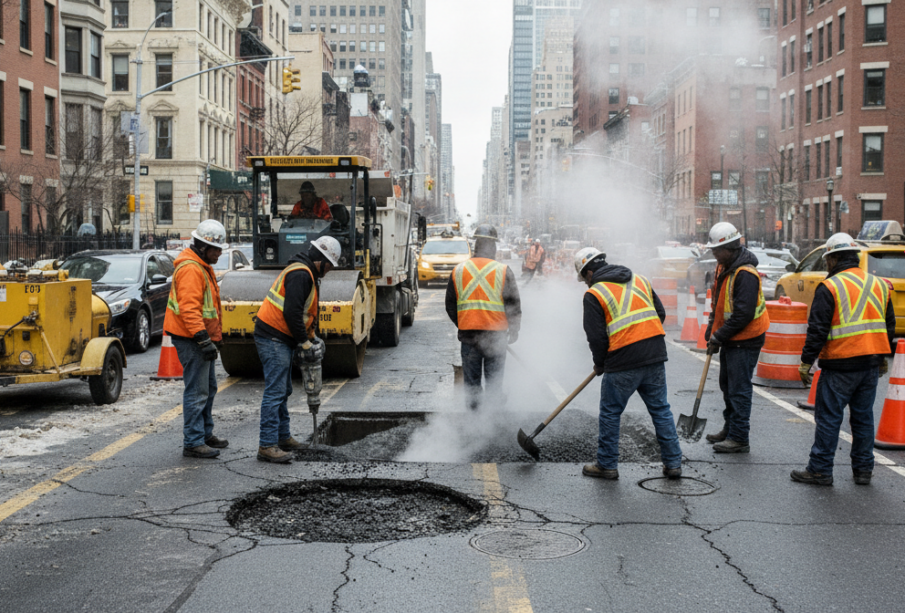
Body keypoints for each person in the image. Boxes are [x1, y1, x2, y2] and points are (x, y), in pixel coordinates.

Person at [792, 233, 895, 486]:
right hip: (870, 363)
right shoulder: (879, 284)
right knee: (863, 418)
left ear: (833, 259)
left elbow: (817, 328)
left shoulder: (831, 286)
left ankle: (820, 469)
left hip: (840, 363)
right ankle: (863, 470)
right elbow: (888, 325)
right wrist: (881, 354)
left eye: (828, 259)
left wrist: (806, 361)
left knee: (829, 418)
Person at [576, 247, 683, 480]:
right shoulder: (640, 279)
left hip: (622, 359)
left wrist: (600, 363)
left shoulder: (594, 294)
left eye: (584, 278)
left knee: (610, 413)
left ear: (589, 272)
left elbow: (596, 336)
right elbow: (660, 313)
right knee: (661, 409)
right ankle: (673, 464)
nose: (585, 283)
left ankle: (607, 465)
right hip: (654, 354)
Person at [254, 236, 341, 463]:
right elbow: (291, 312)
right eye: (330, 266)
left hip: (278, 336)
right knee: (275, 391)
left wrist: (312, 338)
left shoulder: (305, 272)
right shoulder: (301, 274)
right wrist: (303, 342)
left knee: (283, 390)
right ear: (322, 260)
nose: (329, 271)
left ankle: (282, 438)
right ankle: (267, 445)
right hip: (273, 336)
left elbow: (304, 313)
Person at [703, 222, 770, 453]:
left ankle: (739, 437)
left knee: (739, 389)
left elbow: (743, 314)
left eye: (716, 249)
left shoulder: (746, 274)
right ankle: (730, 428)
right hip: (731, 337)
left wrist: (718, 336)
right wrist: (711, 330)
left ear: (730, 248)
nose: (712, 252)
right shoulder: (723, 267)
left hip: (746, 338)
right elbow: (718, 304)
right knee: (727, 385)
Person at [164, 220, 228, 459]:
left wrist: (213, 337)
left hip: (196, 337)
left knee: (208, 388)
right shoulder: (192, 269)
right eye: (216, 249)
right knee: (198, 391)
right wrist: (204, 340)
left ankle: (203, 434)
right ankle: (193, 441)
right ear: (202, 247)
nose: (220, 254)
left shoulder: (201, 265)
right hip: (190, 338)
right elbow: (190, 310)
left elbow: (206, 308)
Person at [446, 224, 521, 410]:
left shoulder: (459, 270)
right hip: (496, 338)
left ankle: (474, 424)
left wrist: (464, 323)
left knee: (471, 386)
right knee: (494, 384)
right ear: (493, 246)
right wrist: (514, 330)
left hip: (469, 338)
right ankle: (493, 424)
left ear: (476, 245)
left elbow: (450, 305)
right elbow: (513, 304)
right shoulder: (503, 270)